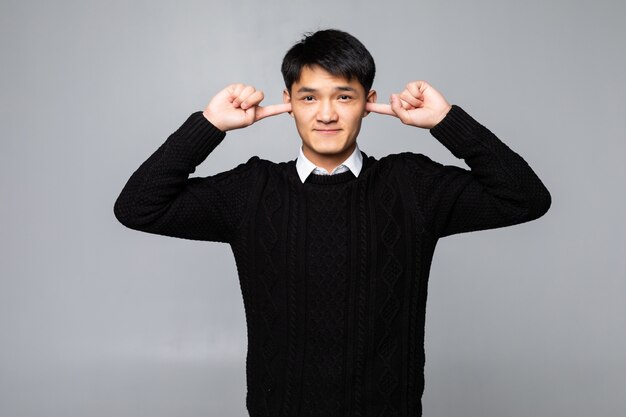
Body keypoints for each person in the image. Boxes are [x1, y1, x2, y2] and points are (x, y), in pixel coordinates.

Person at [114, 29, 551, 417]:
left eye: (344, 96)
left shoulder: (410, 185)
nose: (326, 114)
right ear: (287, 103)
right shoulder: (252, 190)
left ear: (369, 103)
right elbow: (137, 207)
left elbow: (526, 198)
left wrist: (446, 121)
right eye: (309, 97)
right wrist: (209, 125)